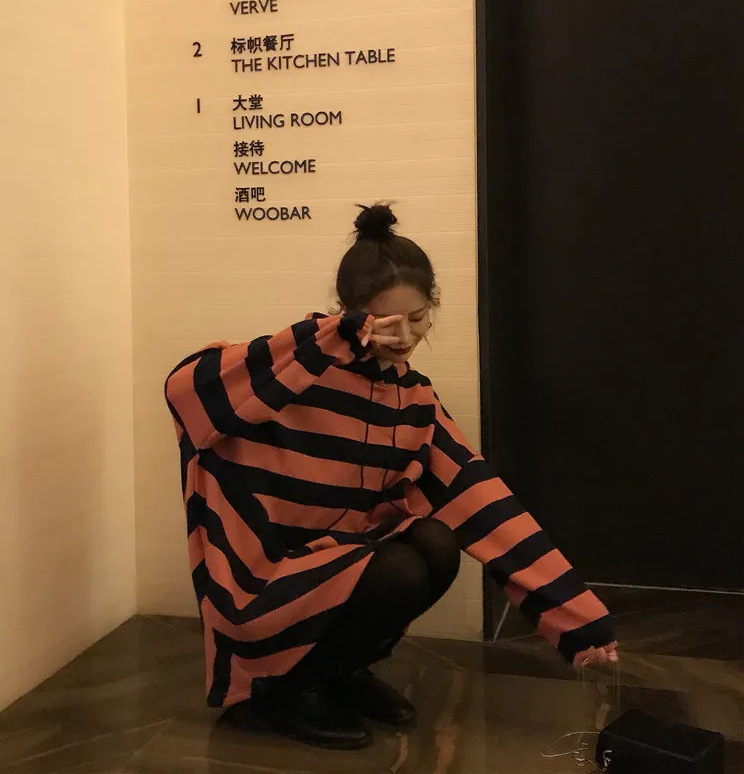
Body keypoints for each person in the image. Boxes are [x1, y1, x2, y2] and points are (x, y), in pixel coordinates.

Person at [164, 203, 618, 751]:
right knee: (400, 569)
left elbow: (479, 498)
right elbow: (185, 388)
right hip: (262, 580)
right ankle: (276, 694)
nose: (404, 337)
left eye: (418, 319)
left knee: (437, 542)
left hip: (339, 563)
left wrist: (574, 617)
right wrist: (320, 340)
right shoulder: (291, 372)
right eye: (385, 323)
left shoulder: (412, 397)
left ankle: (337, 671)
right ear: (350, 315)